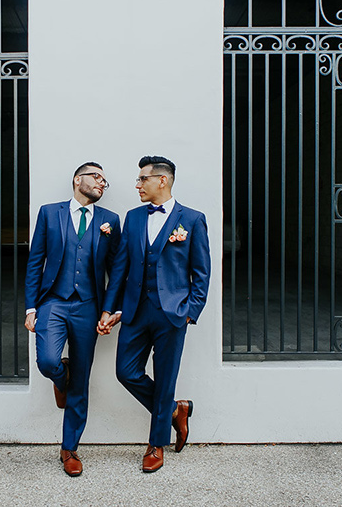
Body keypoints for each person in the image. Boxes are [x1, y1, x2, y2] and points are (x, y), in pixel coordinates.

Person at [98, 155, 210, 473]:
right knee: (126, 372)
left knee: (165, 380)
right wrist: (109, 308)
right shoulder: (132, 218)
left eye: (142, 179)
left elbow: (201, 271)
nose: (137, 185)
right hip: (135, 311)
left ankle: (155, 444)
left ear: (162, 180)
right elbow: (120, 267)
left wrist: (191, 310)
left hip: (172, 314)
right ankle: (175, 411)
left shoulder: (192, 219)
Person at [24, 162, 121, 476]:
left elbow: (116, 270)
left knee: (81, 380)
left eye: (105, 181)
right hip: (53, 301)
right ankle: (59, 375)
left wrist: (109, 309)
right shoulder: (49, 213)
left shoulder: (109, 221)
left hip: (88, 307)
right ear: (78, 179)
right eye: (96, 177)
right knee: (48, 361)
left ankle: (69, 449)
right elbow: (35, 260)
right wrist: (30, 308)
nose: (102, 184)